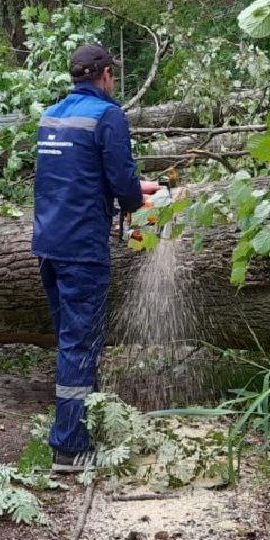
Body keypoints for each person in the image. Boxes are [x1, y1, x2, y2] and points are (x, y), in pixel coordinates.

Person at [32, 42, 160, 472]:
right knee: (79, 343)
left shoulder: (51, 116)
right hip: (83, 247)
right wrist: (136, 199)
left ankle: (84, 418)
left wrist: (124, 191)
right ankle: (69, 448)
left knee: (71, 338)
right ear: (105, 74)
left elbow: (76, 176)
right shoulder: (108, 116)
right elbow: (122, 180)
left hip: (49, 242)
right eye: (114, 75)